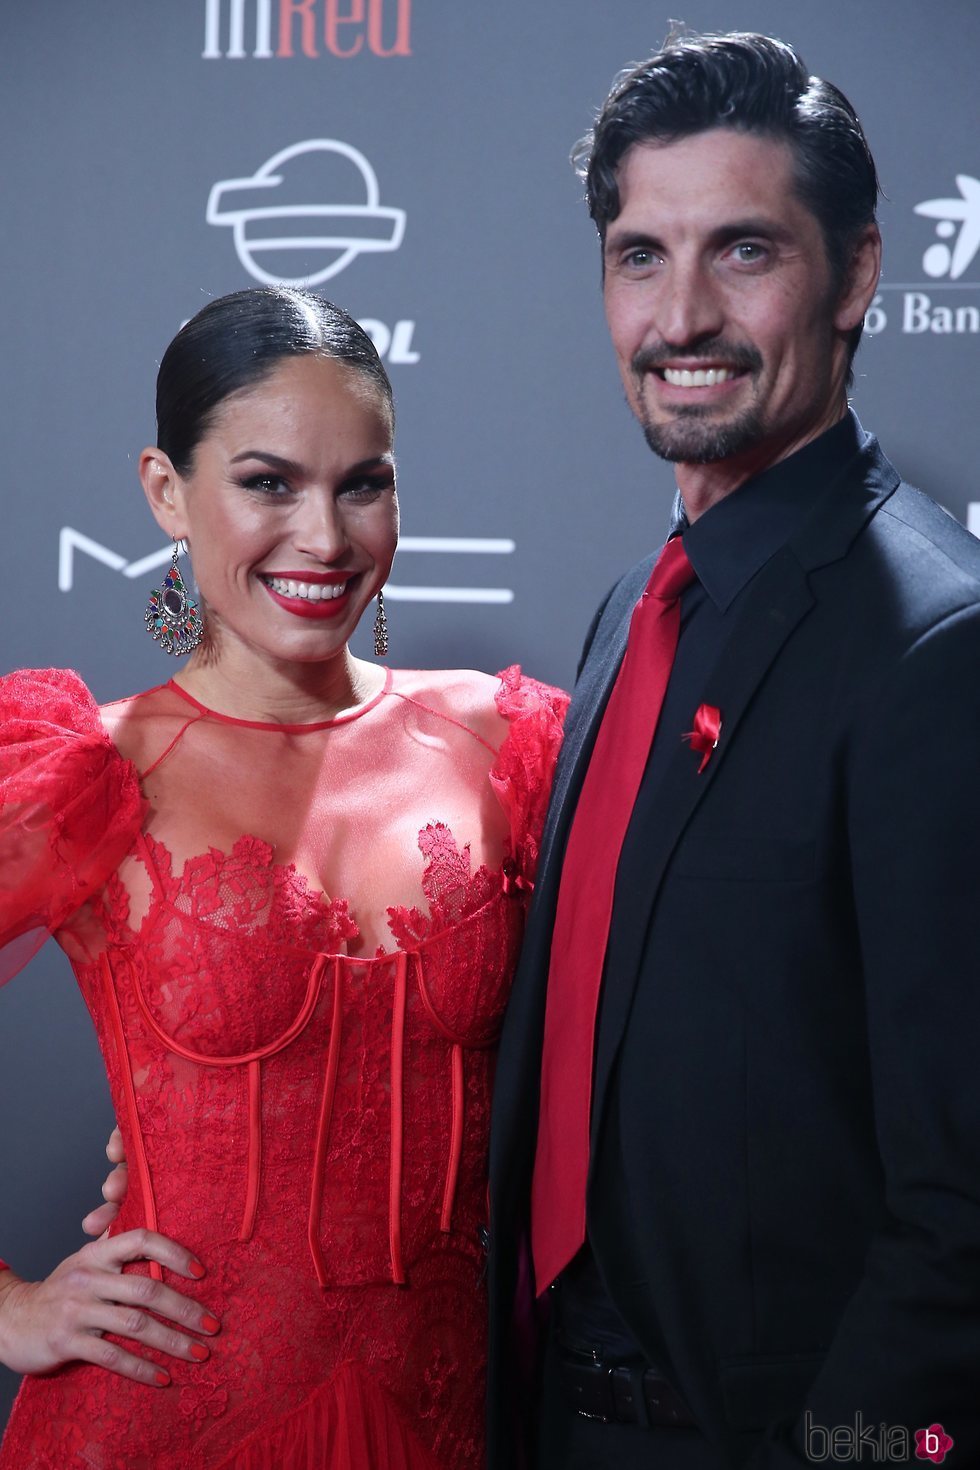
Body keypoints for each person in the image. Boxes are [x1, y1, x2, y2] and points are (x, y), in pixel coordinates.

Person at [486, 31, 980, 1470]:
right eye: (643, 256)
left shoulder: (938, 645)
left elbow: (964, 1198)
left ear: (860, 276)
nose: (681, 314)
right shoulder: (628, 616)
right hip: (552, 1421)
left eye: (743, 251)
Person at [0, 286, 566, 1469]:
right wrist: (12, 1310)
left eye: (363, 483)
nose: (324, 537)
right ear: (166, 492)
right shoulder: (89, 773)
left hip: (459, 1420)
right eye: (268, 483)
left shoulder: (511, 748)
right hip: (158, 1424)